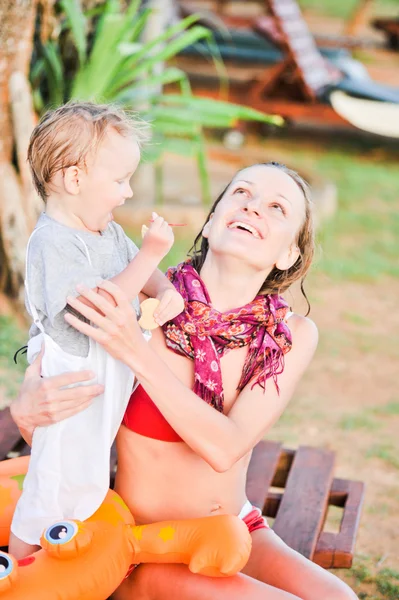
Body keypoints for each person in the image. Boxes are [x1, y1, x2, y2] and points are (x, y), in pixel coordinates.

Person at [11, 162, 358, 600]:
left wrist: (134, 352)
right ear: (211, 223)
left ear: (289, 254)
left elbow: (225, 447)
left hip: (231, 526)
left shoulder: (287, 335)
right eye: (242, 193)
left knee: (340, 598)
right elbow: (53, 405)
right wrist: (29, 402)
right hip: (138, 544)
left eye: (275, 207)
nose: (253, 208)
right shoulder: (139, 300)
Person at [9, 102, 184, 560]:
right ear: (74, 180)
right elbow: (94, 312)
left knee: (84, 479)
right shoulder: (53, 243)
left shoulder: (104, 230)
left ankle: (60, 563)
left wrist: (164, 290)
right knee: (52, 483)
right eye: (120, 180)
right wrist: (150, 254)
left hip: (103, 377)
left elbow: (137, 272)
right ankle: (19, 570)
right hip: (73, 381)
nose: (127, 193)